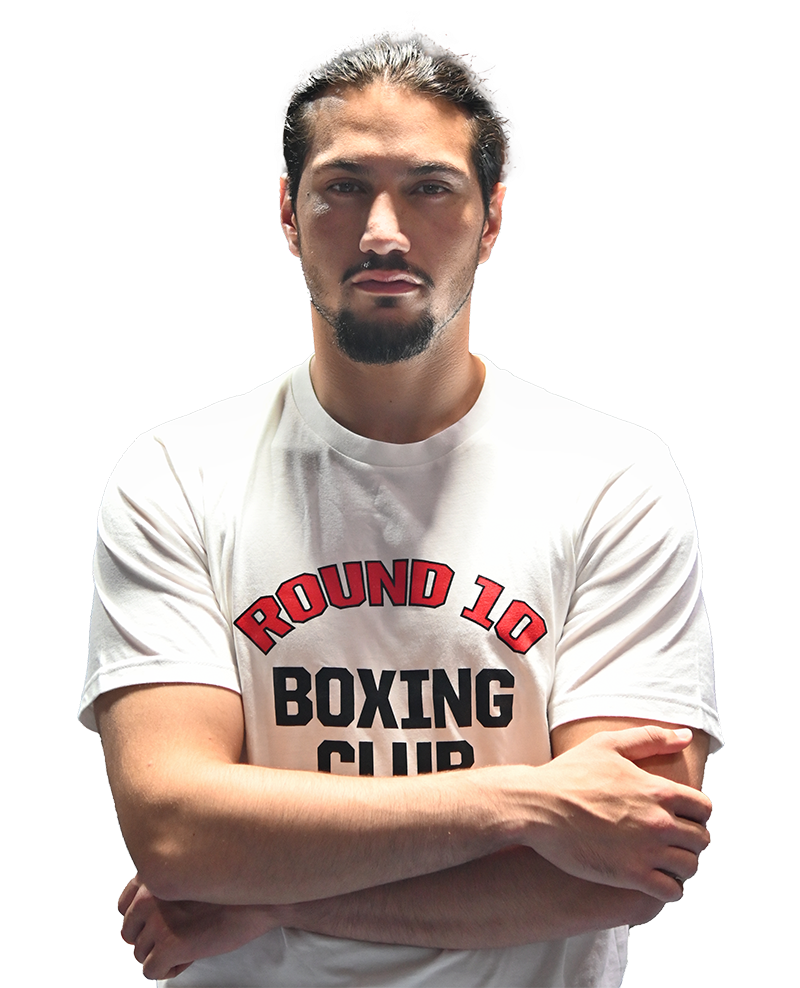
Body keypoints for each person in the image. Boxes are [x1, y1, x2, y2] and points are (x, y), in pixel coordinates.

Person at [78, 26, 722, 988]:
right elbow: (175, 831)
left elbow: (631, 870)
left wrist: (263, 891)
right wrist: (534, 805)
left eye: (430, 187)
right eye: (343, 187)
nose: (384, 230)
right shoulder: (177, 473)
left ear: (493, 217)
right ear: (289, 215)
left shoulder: (613, 477)